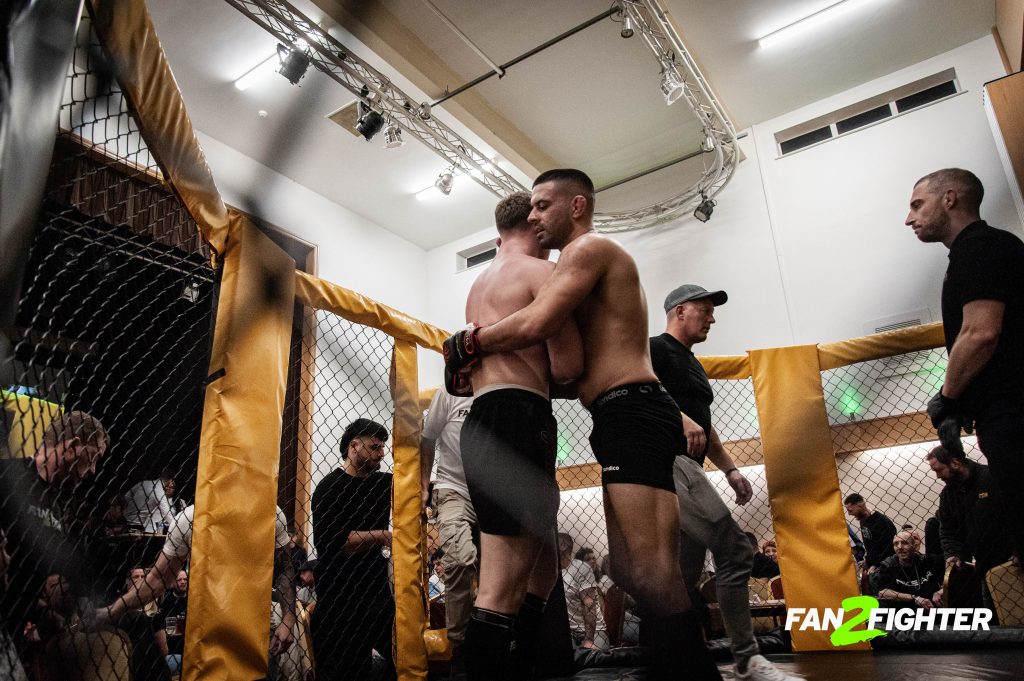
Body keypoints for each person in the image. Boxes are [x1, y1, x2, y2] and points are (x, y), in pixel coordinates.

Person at [444, 169, 723, 680]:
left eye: (543, 205)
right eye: (529, 209)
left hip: (629, 410)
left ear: (576, 206)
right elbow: (576, 364)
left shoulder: (587, 250)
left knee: (650, 568)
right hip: (619, 411)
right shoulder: (567, 263)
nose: (534, 216)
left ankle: (693, 673)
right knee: (627, 567)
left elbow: (537, 324)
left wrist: (470, 344)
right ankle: (675, 666)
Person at [455, 191, 583, 681]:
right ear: (537, 224)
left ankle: (524, 667)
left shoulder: (477, 285)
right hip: (520, 418)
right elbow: (569, 364)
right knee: (501, 587)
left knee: (544, 564)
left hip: (484, 420)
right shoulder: (542, 273)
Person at [650, 284, 796, 681]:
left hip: (692, 466)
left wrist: (730, 469)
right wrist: (679, 419)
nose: (712, 318)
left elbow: (705, 425)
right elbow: (637, 394)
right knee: (734, 552)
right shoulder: (655, 350)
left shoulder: (692, 364)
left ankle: (672, 660)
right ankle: (748, 658)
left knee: (682, 577)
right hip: (669, 463)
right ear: (679, 312)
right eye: (705, 310)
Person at [905, 168, 1024, 566]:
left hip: (1013, 411)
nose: (909, 218)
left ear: (950, 199)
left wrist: (948, 398)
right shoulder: (979, 250)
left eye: (917, 205)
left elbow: (979, 333)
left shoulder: (980, 247)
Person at [96, 503, 296, 664]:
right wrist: (114, 610)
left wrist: (288, 619)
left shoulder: (269, 513)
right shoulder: (190, 519)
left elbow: (285, 569)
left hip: (255, 630)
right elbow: (158, 579)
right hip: (207, 632)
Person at [0, 411, 107, 647]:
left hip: (11, 635)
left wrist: (46, 615)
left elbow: (21, 586)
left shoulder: (57, 509)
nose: (93, 471)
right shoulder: (7, 476)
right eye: (94, 457)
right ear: (73, 446)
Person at [311, 418, 395, 681]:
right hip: (340, 600)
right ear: (353, 446)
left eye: (383, 448)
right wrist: (385, 536)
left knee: (404, 658)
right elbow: (340, 544)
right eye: (375, 447)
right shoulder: (329, 488)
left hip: (377, 595)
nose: (381, 454)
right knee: (351, 672)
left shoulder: (383, 483)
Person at [419, 387, 476, 667]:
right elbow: (428, 439)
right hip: (452, 489)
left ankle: (490, 643)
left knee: (496, 573)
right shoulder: (449, 394)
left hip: (491, 494)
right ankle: (459, 646)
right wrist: (423, 486)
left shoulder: (496, 389)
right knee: (461, 559)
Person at [925, 445, 1014, 577]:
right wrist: (953, 554)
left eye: (939, 470)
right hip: (984, 565)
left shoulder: (993, 478)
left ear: (955, 463)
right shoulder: (948, 495)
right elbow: (948, 529)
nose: (938, 476)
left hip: (1012, 560)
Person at [558, 533, 608, 650]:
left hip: (593, 631)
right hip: (568, 632)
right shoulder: (550, 569)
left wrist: (589, 639)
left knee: (591, 657)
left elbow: (589, 606)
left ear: (563, 546)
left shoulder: (581, 568)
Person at [874, 530, 944, 608]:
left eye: (905, 543)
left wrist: (940, 592)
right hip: (904, 610)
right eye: (896, 544)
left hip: (931, 607)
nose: (900, 547)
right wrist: (914, 598)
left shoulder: (929, 561)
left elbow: (952, 576)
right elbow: (882, 592)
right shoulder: (888, 565)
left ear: (914, 545)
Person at [843, 493, 896, 570]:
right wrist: (868, 561)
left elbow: (889, 549)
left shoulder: (883, 522)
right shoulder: (863, 520)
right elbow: (871, 547)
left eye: (850, 510)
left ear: (860, 506)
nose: (849, 514)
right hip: (874, 564)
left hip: (886, 565)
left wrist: (872, 563)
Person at [124, 468, 177, 533]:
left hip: (124, 519)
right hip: (136, 524)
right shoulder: (159, 491)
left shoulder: (143, 483)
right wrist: (177, 526)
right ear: (170, 480)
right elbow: (167, 514)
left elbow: (126, 496)